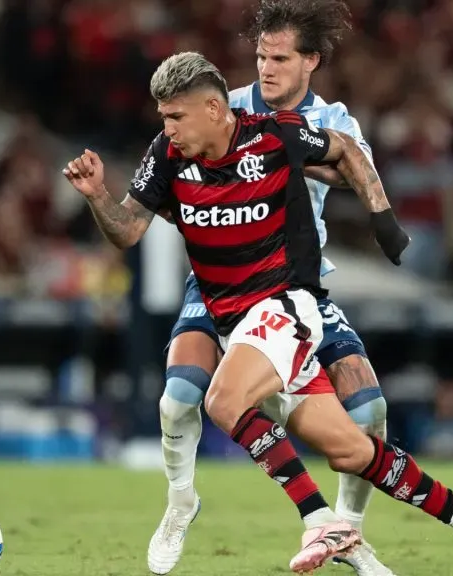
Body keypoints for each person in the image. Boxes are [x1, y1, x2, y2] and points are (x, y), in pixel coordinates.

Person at [64, 51, 453, 576]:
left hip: (285, 306)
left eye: (175, 116)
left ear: (212, 107)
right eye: (163, 117)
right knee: (353, 452)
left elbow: (345, 150)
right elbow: (127, 230)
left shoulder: (275, 135)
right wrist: (97, 196)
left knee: (222, 399)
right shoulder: (166, 154)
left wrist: (382, 218)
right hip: (233, 324)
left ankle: (320, 518)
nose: (167, 128)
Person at [147, 2, 396, 573]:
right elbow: (170, 167)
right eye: (260, 56)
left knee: (370, 409)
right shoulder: (223, 106)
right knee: (178, 399)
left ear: (310, 60)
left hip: (297, 287)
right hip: (221, 282)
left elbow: (347, 168)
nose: (266, 68)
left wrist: (277, 146)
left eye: (279, 57)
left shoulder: (337, 120)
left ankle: (347, 534)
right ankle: (180, 504)